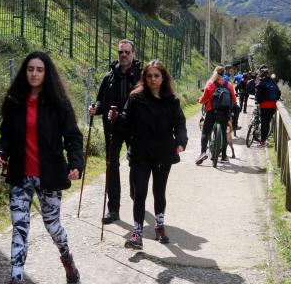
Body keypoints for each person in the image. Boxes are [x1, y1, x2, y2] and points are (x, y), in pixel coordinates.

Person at [0, 51, 84, 284]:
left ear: (47, 73)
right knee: (19, 229)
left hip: (50, 176)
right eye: (30, 69)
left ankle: (67, 258)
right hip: (20, 175)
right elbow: (6, 137)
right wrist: (0, 154)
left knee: (53, 226)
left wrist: (76, 164)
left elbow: (73, 138)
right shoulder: (15, 101)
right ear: (25, 72)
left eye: (39, 69)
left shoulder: (58, 103)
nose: (34, 73)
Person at [108, 60, 187, 250]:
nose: (153, 79)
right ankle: (137, 233)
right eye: (149, 76)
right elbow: (126, 121)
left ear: (163, 78)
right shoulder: (136, 98)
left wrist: (180, 141)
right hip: (140, 153)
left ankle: (159, 225)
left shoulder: (171, 100)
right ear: (145, 77)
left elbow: (180, 123)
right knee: (140, 193)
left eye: (156, 76)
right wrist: (117, 117)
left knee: (159, 191)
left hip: (163, 153)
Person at [89, 39, 141, 224]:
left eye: (127, 52)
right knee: (112, 166)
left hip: (134, 127)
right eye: (121, 52)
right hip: (112, 128)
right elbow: (100, 102)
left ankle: (135, 193)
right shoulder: (108, 78)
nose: (124, 55)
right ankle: (113, 209)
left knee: (136, 164)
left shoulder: (142, 77)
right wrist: (95, 108)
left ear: (133, 54)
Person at [196, 66, 237, 164]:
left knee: (205, 132)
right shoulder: (229, 85)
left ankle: (203, 152)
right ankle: (223, 156)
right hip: (224, 113)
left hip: (212, 112)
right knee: (223, 132)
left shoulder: (210, 84)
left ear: (215, 73)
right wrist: (229, 109)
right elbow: (234, 101)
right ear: (224, 74)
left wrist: (200, 100)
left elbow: (204, 99)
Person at [254, 69, 281, 147]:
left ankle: (262, 142)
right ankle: (264, 140)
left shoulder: (262, 83)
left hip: (264, 105)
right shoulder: (272, 82)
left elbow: (258, 94)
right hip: (273, 105)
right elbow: (279, 92)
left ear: (261, 75)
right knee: (267, 122)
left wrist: (259, 102)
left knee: (264, 123)